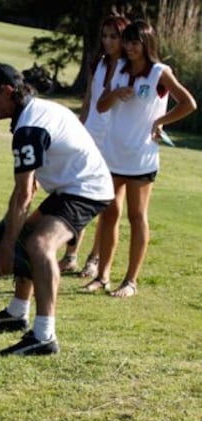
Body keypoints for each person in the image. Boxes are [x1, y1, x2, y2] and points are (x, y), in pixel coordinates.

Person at [0, 63, 114, 355]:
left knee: (38, 243)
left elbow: (24, 193)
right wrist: (12, 232)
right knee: (25, 235)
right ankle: (16, 313)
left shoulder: (28, 128)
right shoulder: (36, 110)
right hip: (69, 188)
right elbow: (27, 187)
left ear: (7, 92)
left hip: (86, 190)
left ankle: (44, 336)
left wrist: (7, 246)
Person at [85, 20, 197, 297]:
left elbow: (188, 104)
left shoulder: (159, 72)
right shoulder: (120, 68)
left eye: (135, 42)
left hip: (141, 158)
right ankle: (102, 276)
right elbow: (100, 106)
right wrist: (114, 93)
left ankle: (130, 281)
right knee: (109, 214)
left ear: (147, 44)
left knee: (137, 217)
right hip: (113, 154)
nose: (130, 47)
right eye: (128, 42)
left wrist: (160, 120)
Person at [61, 15, 131, 279]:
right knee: (78, 194)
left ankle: (95, 258)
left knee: (110, 202)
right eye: (105, 36)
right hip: (90, 135)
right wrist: (79, 127)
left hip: (115, 141)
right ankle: (70, 255)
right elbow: (89, 99)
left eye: (114, 36)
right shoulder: (99, 63)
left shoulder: (130, 68)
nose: (108, 41)